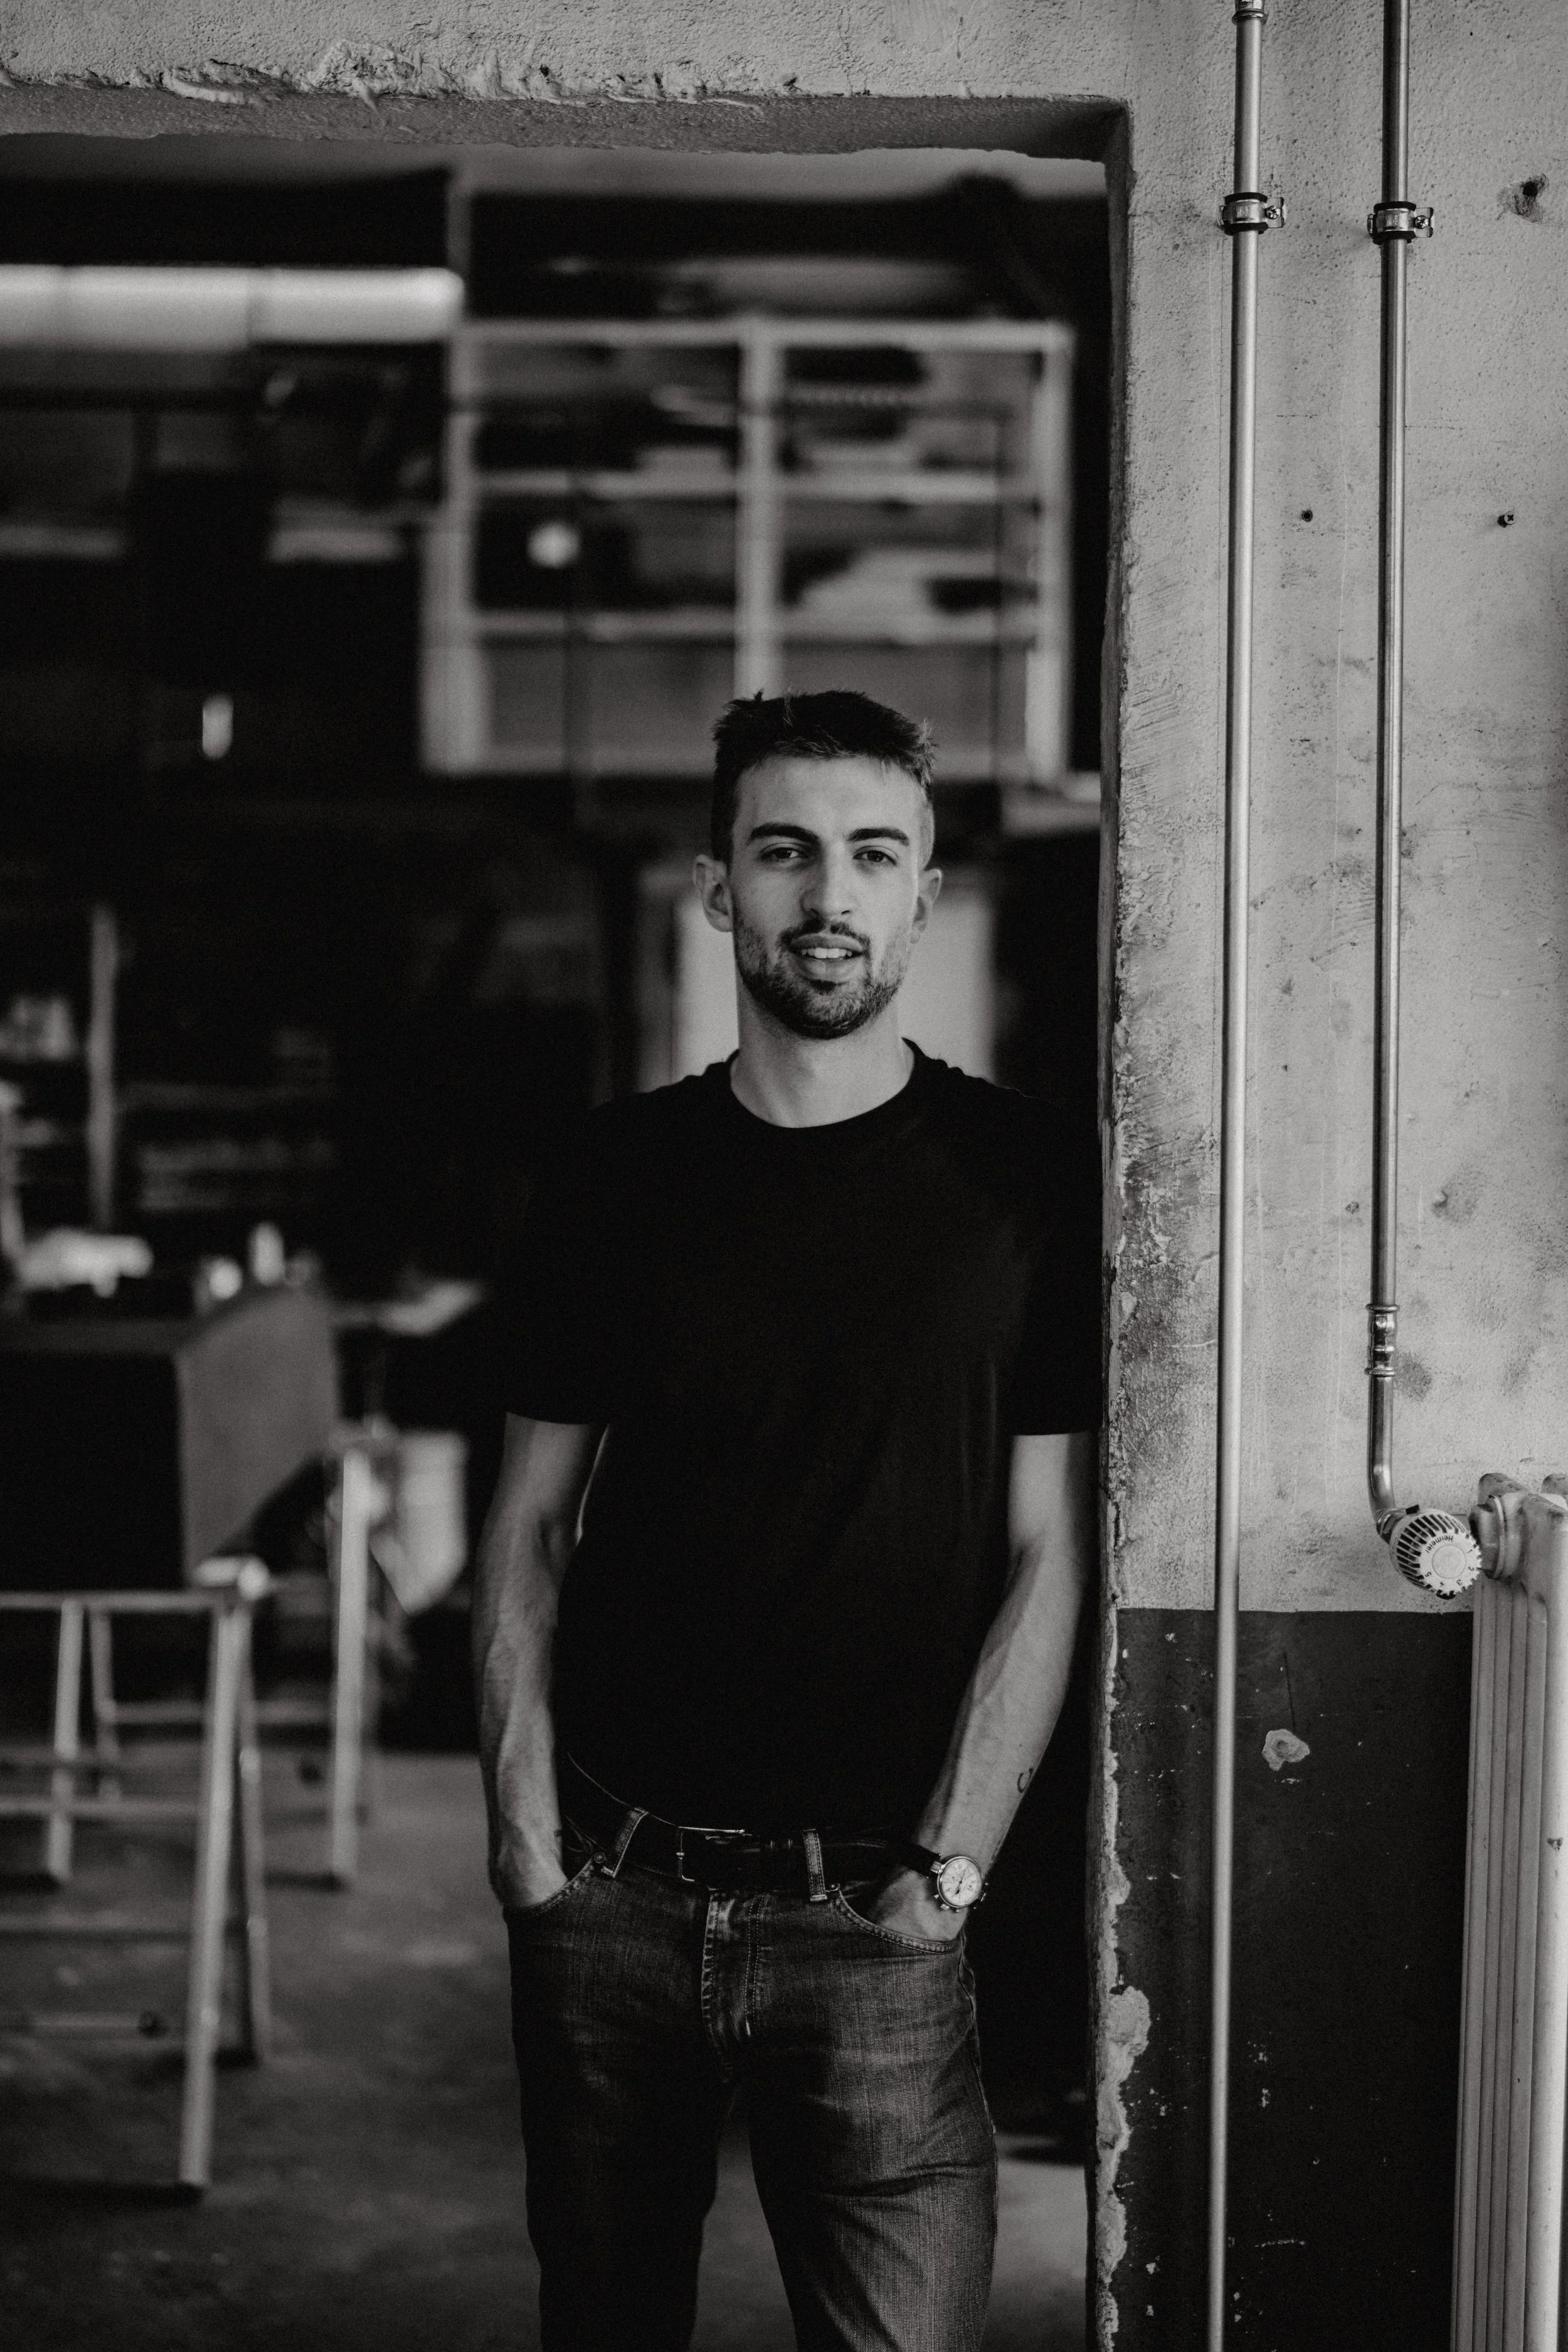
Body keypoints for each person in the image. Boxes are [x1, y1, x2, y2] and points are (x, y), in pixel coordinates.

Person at [474, 689, 1100, 2352]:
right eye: (785, 852)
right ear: (718, 885)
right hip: (612, 1883)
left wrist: (946, 1870)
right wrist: (530, 1847)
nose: (826, 895)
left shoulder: (1025, 1184)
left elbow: (1050, 1548)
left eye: (869, 854)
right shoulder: (614, 1176)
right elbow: (527, 1522)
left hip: (876, 1915)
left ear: (922, 887)